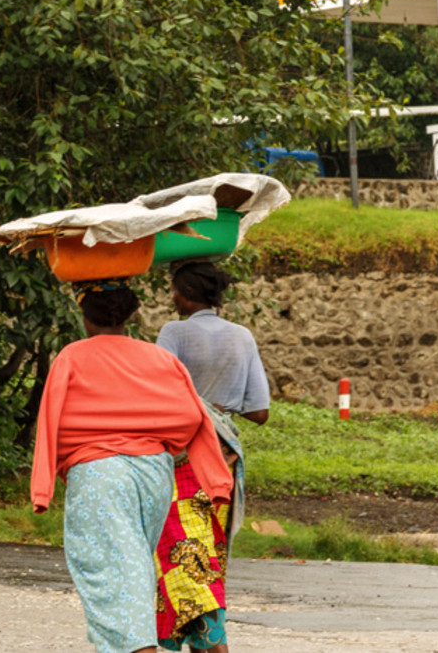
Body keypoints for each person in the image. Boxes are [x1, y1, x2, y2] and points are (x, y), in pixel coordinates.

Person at [31, 279, 232, 653]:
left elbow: (49, 420)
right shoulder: (159, 358)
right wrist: (216, 480)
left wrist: (42, 490)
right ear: (129, 314)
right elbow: (193, 417)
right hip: (155, 475)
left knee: (117, 578)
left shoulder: (71, 357)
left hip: (100, 477)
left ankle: (140, 649)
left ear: (84, 314)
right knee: (136, 567)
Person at [152, 262, 271, 652]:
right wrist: (219, 406)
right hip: (224, 460)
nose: (172, 298)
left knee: (184, 562)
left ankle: (215, 646)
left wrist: (197, 405)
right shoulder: (242, 336)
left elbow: (158, 391)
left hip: (184, 459)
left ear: (186, 294)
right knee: (206, 561)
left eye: (174, 290)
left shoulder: (174, 332)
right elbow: (259, 412)